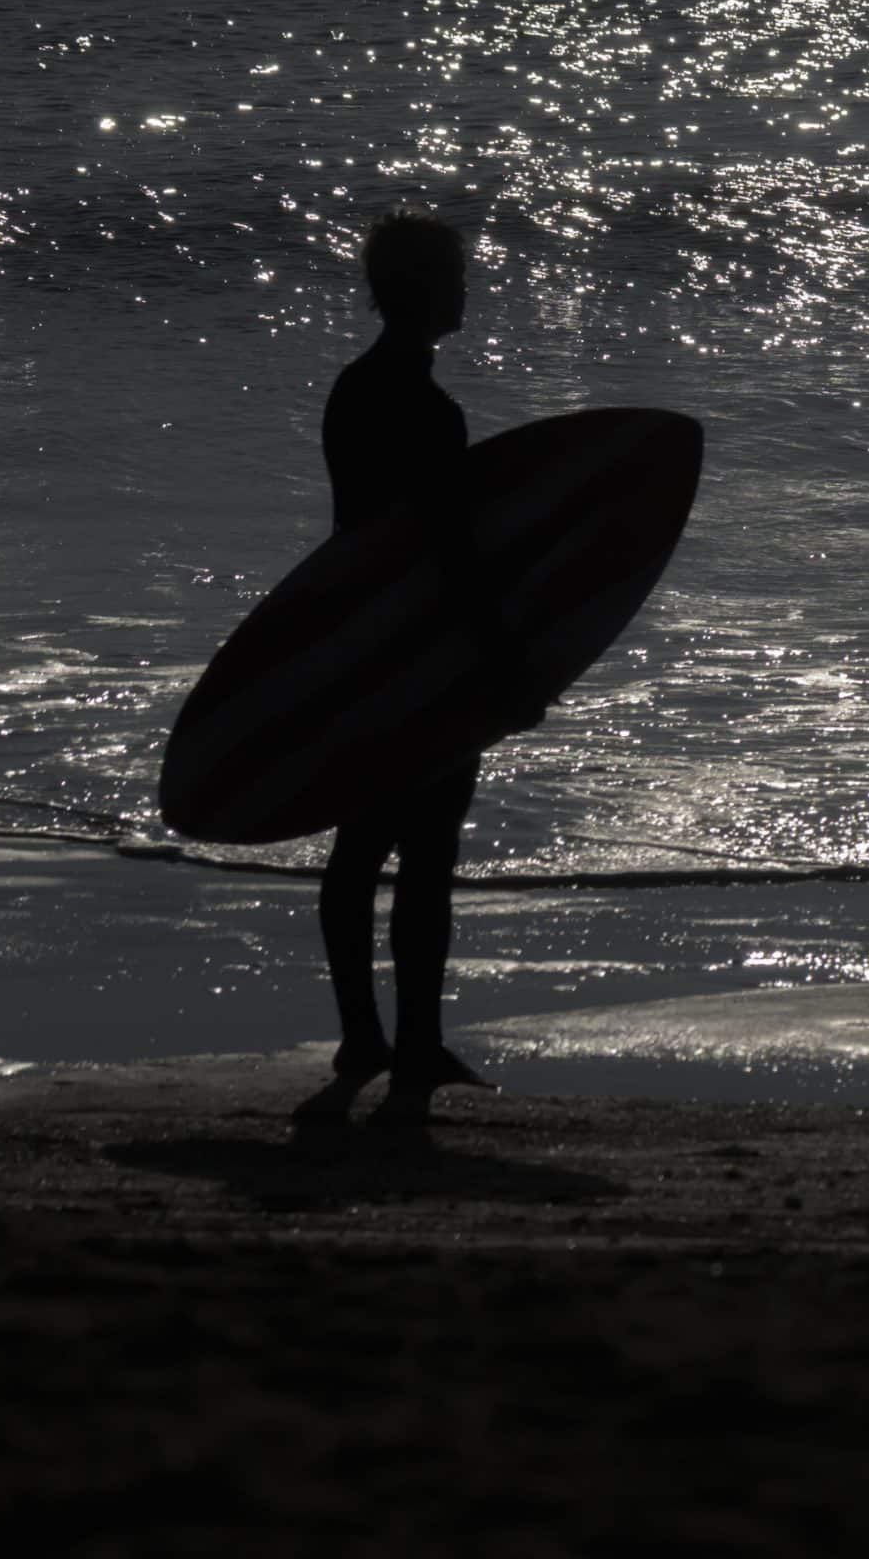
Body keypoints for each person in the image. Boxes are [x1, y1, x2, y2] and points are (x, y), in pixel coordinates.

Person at [317, 212, 492, 1117]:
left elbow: (351, 539)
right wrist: (500, 661)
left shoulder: (352, 389)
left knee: (366, 847)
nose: (468, 292)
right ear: (425, 290)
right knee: (420, 855)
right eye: (456, 278)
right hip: (422, 654)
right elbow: (448, 553)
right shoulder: (428, 412)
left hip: (359, 646)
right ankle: (408, 1044)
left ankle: (373, 1035)